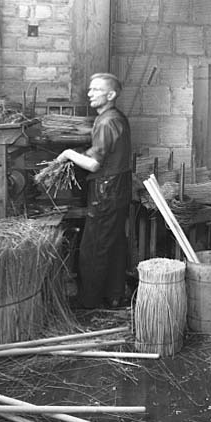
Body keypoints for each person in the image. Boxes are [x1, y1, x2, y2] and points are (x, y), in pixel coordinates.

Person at [57, 73, 132, 308]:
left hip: (106, 190)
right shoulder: (115, 117)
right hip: (118, 187)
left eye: (96, 90)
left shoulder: (107, 121)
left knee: (94, 247)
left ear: (111, 95)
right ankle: (114, 295)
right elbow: (105, 152)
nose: (90, 93)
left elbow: (94, 165)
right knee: (114, 242)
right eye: (90, 89)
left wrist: (69, 154)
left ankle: (88, 303)